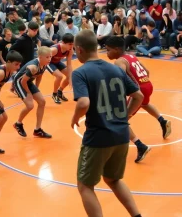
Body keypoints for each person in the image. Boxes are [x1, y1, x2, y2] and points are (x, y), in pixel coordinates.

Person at [71, 30, 143, 217]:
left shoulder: (80, 73)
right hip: (121, 135)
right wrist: (125, 118)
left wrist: (74, 118)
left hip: (98, 137)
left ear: (79, 49)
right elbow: (138, 96)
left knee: (85, 186)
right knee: (113, 179)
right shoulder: (116, 69)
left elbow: (83, 102)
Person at [106, 36, 171, 160]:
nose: (107, 53)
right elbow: (146, 72)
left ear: (117, 49)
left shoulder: (119, 61)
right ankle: (162, 121)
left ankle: (140, 146)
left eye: (108, 50)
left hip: (138, 90)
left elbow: (119, 79)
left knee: (121, 120)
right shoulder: (131, 56)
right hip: (147, 84)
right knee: (145, 104)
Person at [13, 46, 52, 138]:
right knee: (30, 105)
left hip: (28, 82)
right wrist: (29, 93)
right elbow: (23, 81)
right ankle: (18, 123)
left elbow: (39, 76)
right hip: (19, 82)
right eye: (47, 57)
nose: (49, 59)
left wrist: (36, 88)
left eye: (50, 56)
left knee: (42, 102)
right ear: (40, 57)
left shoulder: (45, 64)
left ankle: (37, 130)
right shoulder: (33, 67)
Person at [47, 33, 74, 104]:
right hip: (49, 62)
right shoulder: (54, 49)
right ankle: (54, 94)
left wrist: (70, 78)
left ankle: (60, 91)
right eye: (70, 44)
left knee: (70, 75)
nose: (71, 46)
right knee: (59, 76)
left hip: (57, 62)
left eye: (72, 44)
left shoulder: (70, 50)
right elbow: (43, 56)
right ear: (63, 43)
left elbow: (69, 64)